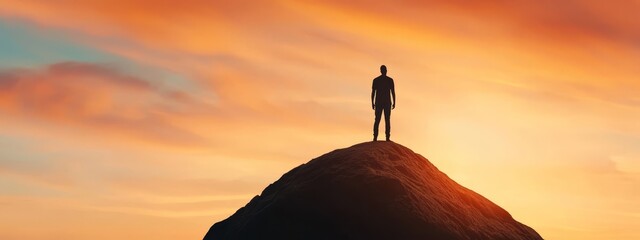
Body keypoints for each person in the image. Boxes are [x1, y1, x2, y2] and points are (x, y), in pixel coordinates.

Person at [371, 65, 395, 141]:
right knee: (378, 119)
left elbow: (393, 92)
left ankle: (387, 137)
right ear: (381, 71)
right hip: (380, 102)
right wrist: (372, 102)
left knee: (386, 120)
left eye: (385, 69)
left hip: (386, 102)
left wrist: (394, 102)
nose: (385, 71)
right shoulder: (376, 80)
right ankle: (375, 137)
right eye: (383, 70)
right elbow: (373, 92)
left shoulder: (389, 80)